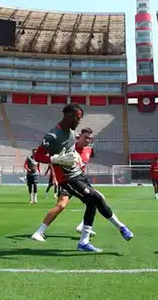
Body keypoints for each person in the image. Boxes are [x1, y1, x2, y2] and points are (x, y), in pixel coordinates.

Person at [31, 105, 132, 252]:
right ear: (70, 116)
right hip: (67, 179)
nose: (79, 121)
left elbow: (72, 152)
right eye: (78, 118)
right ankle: (121, 227)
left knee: (93, 203)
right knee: (95, 197)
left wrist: (76, 158)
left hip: (79, 174)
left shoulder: (72, 133)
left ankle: (83, 242)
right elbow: (38, 156)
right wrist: (55, 159)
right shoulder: (52, 136)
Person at [31, 127, 96, 241]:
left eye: (90, 138)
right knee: (61, 205)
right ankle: (39, 232)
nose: (87, 140)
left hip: (81, 181)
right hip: (68, 180)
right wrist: (55, 177)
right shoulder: (69, 148)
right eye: (85, 137)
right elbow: (56, 160)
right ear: (78, 136)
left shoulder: (89, 150)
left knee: (96, 201)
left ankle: (83, 227)